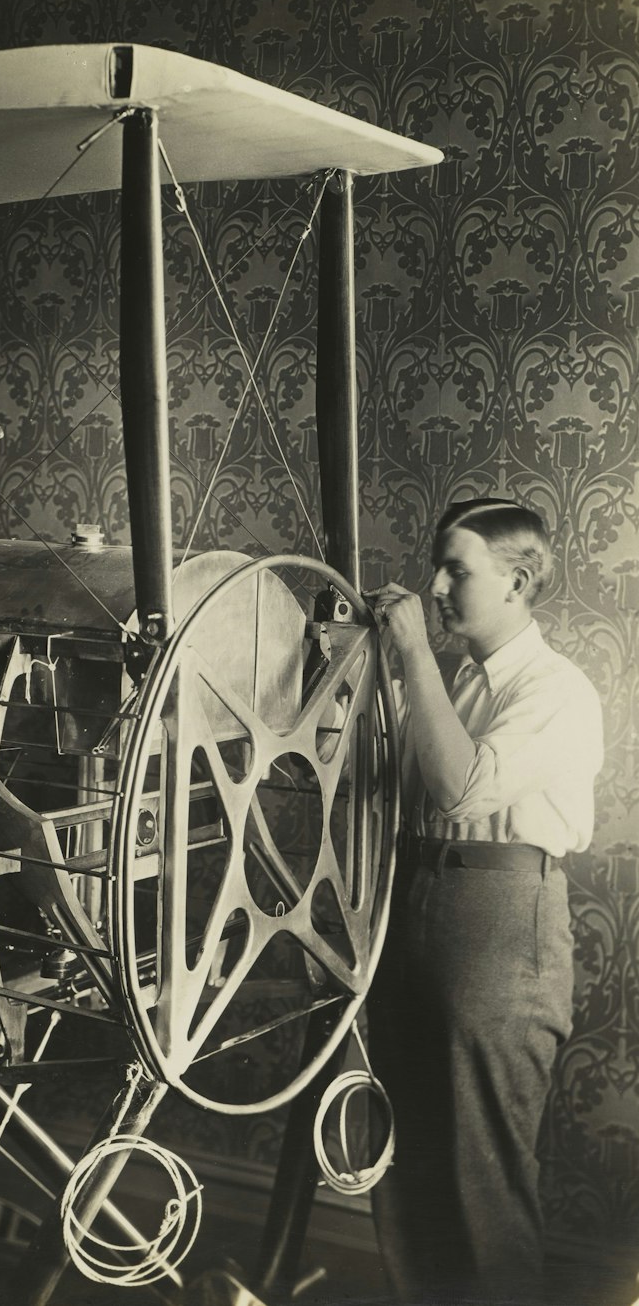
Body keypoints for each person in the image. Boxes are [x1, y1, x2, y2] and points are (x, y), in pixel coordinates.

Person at [365, 497, 604, 1306]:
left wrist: (411, 660)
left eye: (456, 571)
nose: (433, 586)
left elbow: (462, 787)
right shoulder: (457, 683)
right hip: (419, 903)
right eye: (438, 567)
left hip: (501, 921)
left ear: (520, 580)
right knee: (408, 1166)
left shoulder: (557, 691)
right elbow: (380, 778)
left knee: (482, 1174)